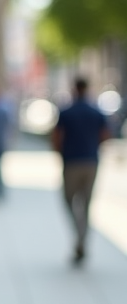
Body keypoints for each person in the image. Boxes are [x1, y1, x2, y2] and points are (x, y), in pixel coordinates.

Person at [52, 77, 111, 264]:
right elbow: (105, 135)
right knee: (85, 203)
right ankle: (82, 237)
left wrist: (60, 153)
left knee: (69, 200)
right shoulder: (96, 111)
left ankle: (79, 236)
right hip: (91, 162)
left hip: (71, 162)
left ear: (74, 89)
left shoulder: (66, 112)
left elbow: (57, 137)